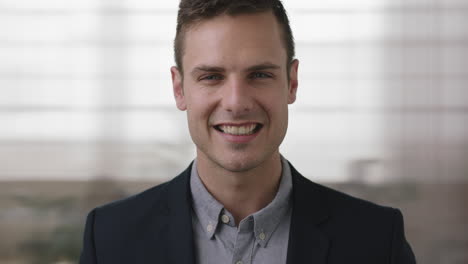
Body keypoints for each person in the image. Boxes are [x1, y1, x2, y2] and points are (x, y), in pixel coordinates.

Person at [79, 0, 416, 263]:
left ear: (292, 82)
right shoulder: (110, 238)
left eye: (259, 75)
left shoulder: (375, 240)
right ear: (179, 89)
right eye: (211, 76)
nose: (236, 102)